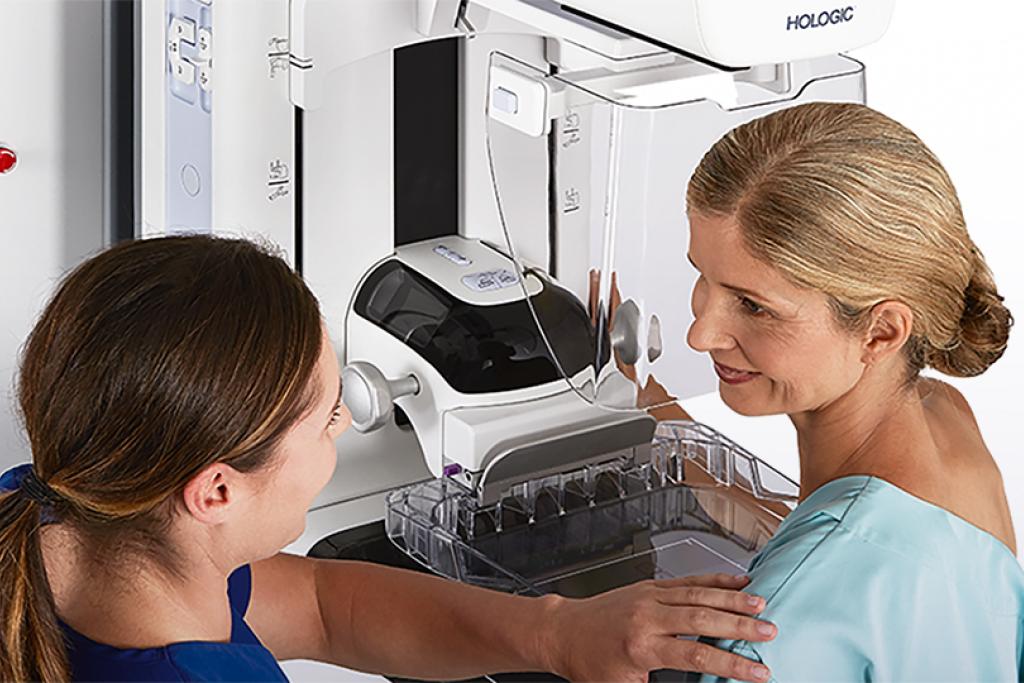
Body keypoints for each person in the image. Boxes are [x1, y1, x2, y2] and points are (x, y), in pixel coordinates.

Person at [0, 235, 780, 682]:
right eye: (323, 415)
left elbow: (321, 606)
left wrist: (554, 632)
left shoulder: (49, 511)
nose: (343, 421)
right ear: (215, 491)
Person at [656, 101, 1022, 680]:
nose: (701, 333)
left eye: (753, 305)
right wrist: (651, 415)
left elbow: (832, 564)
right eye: (704, 277)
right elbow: (856, 537)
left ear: (880, 332)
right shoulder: (945, 416)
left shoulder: (772, 628)